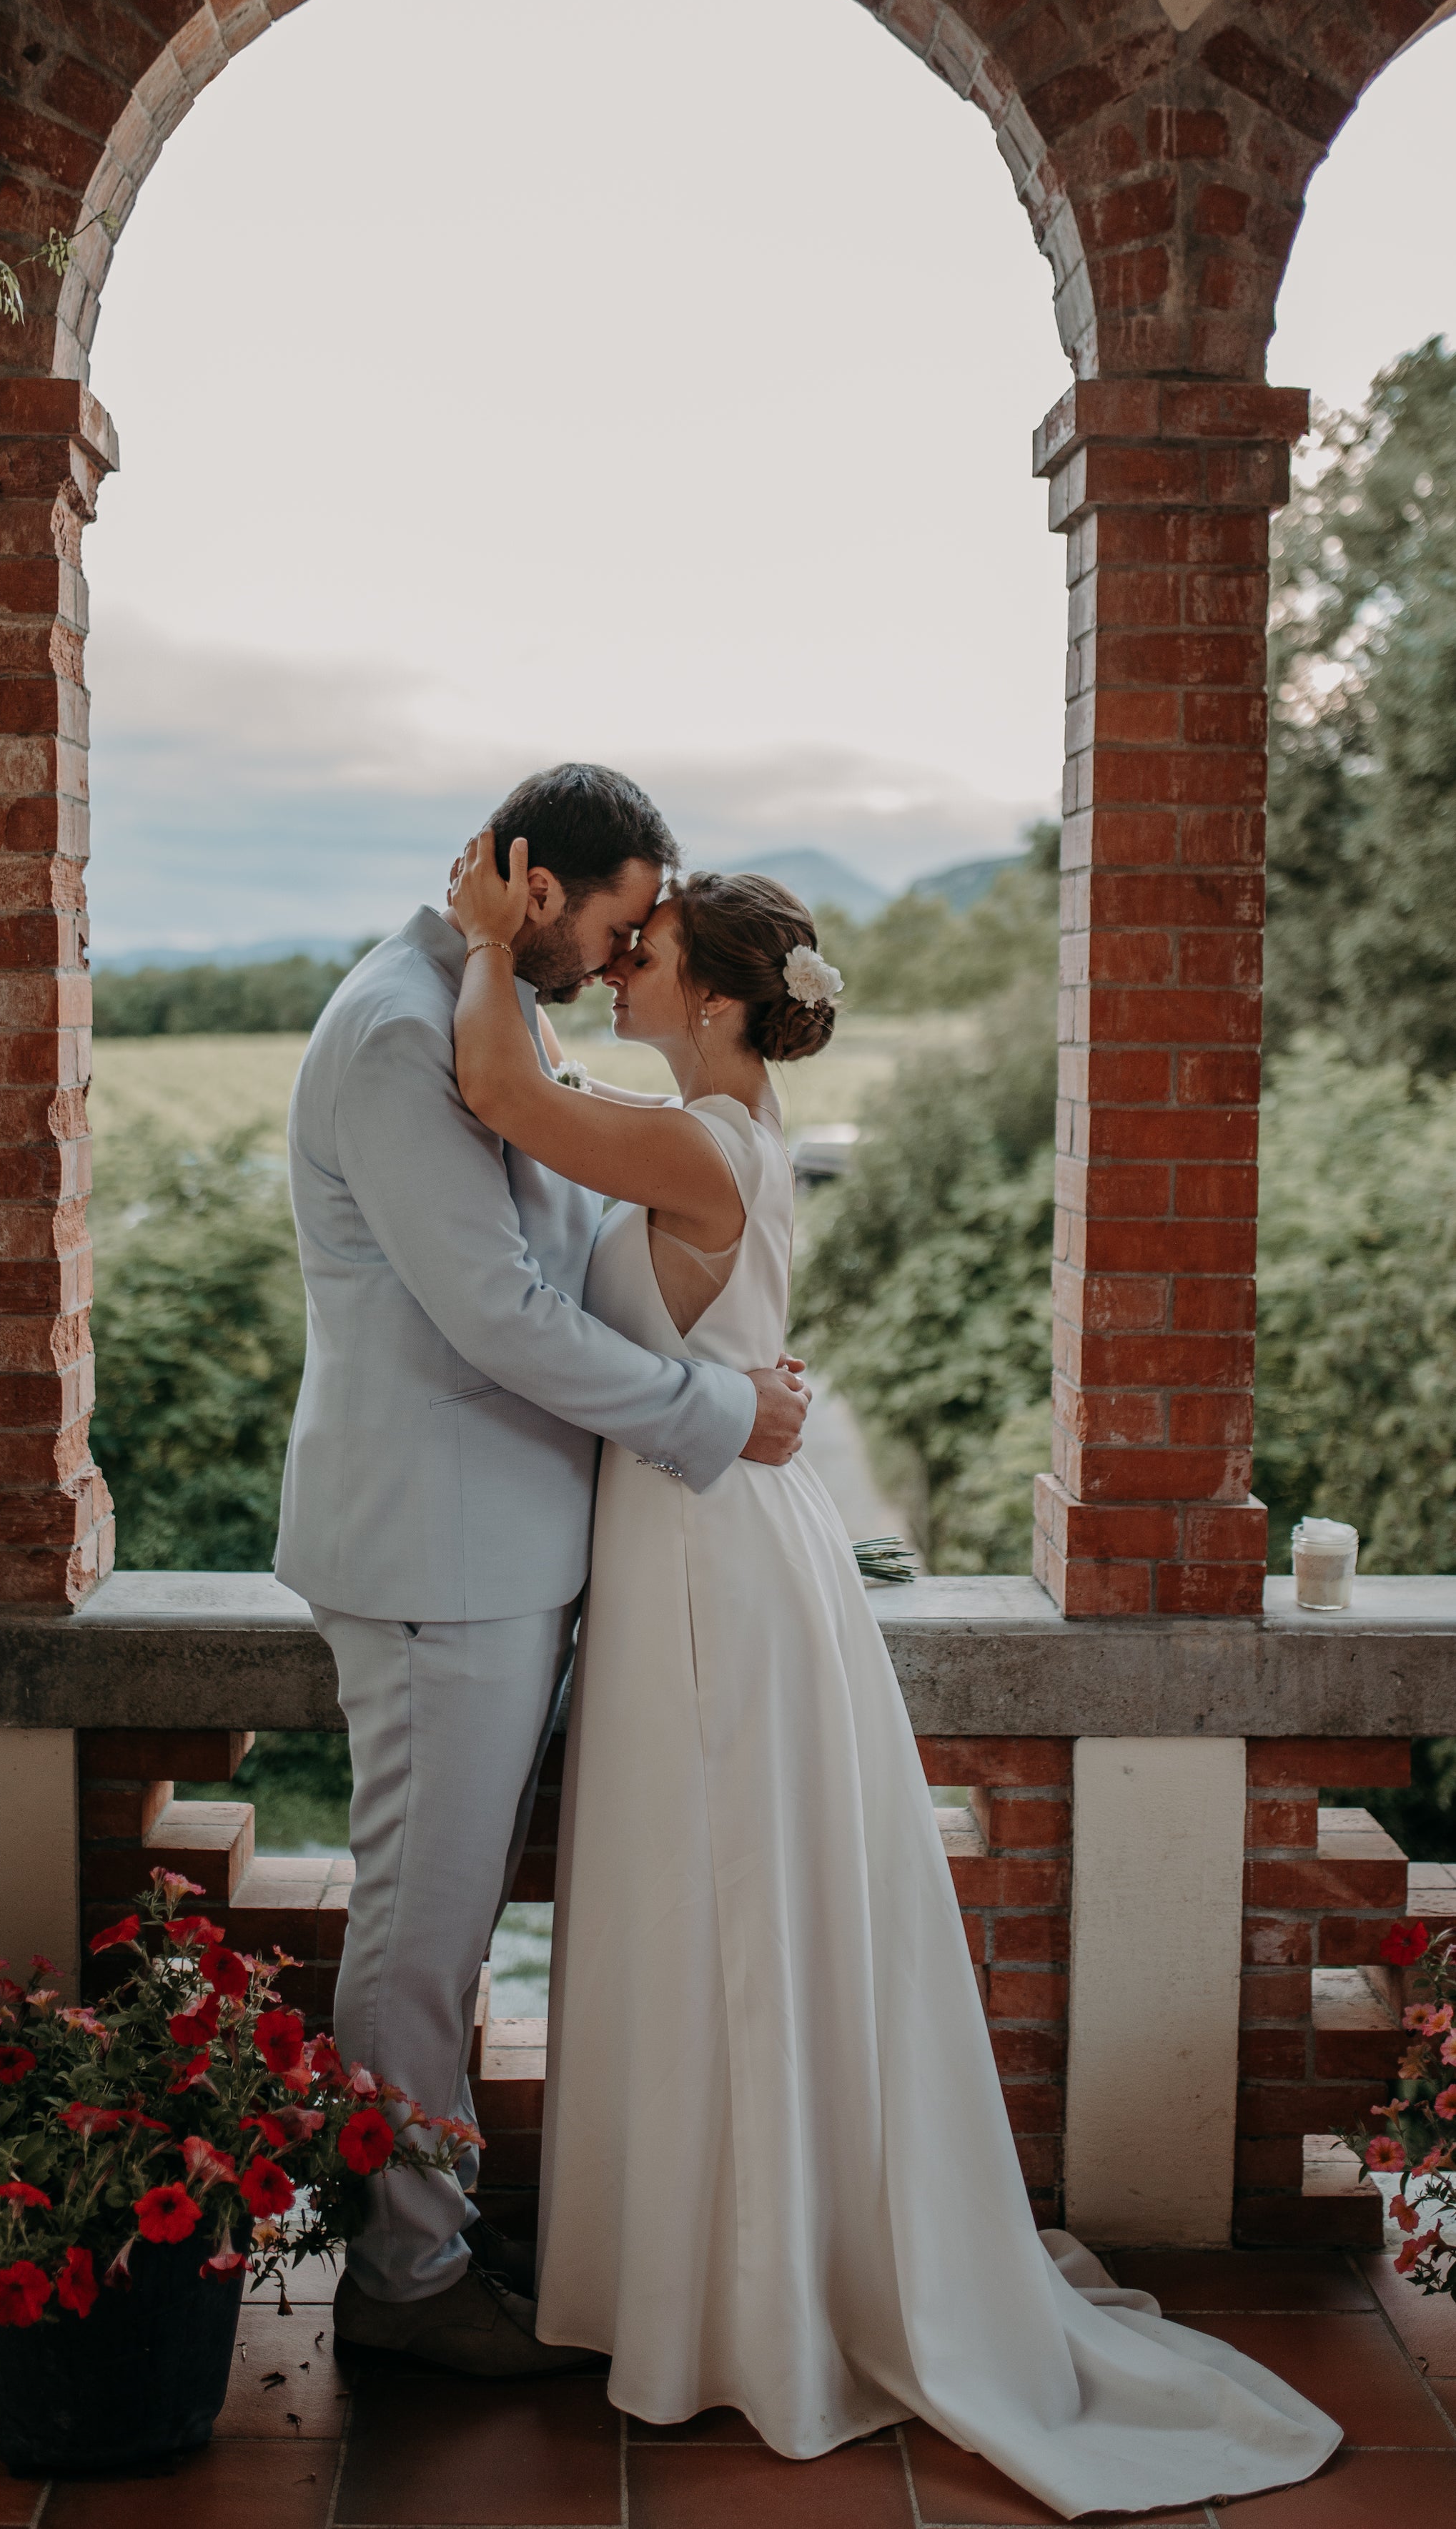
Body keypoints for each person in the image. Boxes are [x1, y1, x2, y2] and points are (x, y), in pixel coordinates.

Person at [445, 830, 1341, 2518]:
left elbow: (499, 1085)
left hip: (709, 1564)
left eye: (643, 951)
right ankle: (721, 2283)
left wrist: (487, 933)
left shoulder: (699, 1148)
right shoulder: (715, 1130)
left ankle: (751, 2309)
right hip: (705, 1536)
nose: (617, 961)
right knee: (711, 1913)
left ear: (713, 1003)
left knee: (730, 1917)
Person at [274, 763, 811, 2379]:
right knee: (423, 1928)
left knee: (444, 1913)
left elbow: (583, 1236)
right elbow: (493, 1314)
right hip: (435, 1545)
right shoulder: (394, 1029)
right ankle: (408, 2280)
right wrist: (714, 1409)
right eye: (618, 914)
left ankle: (434, 2214)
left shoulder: (483, 999)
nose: (627, 945)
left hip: (497, 1539)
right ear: (526, 880)